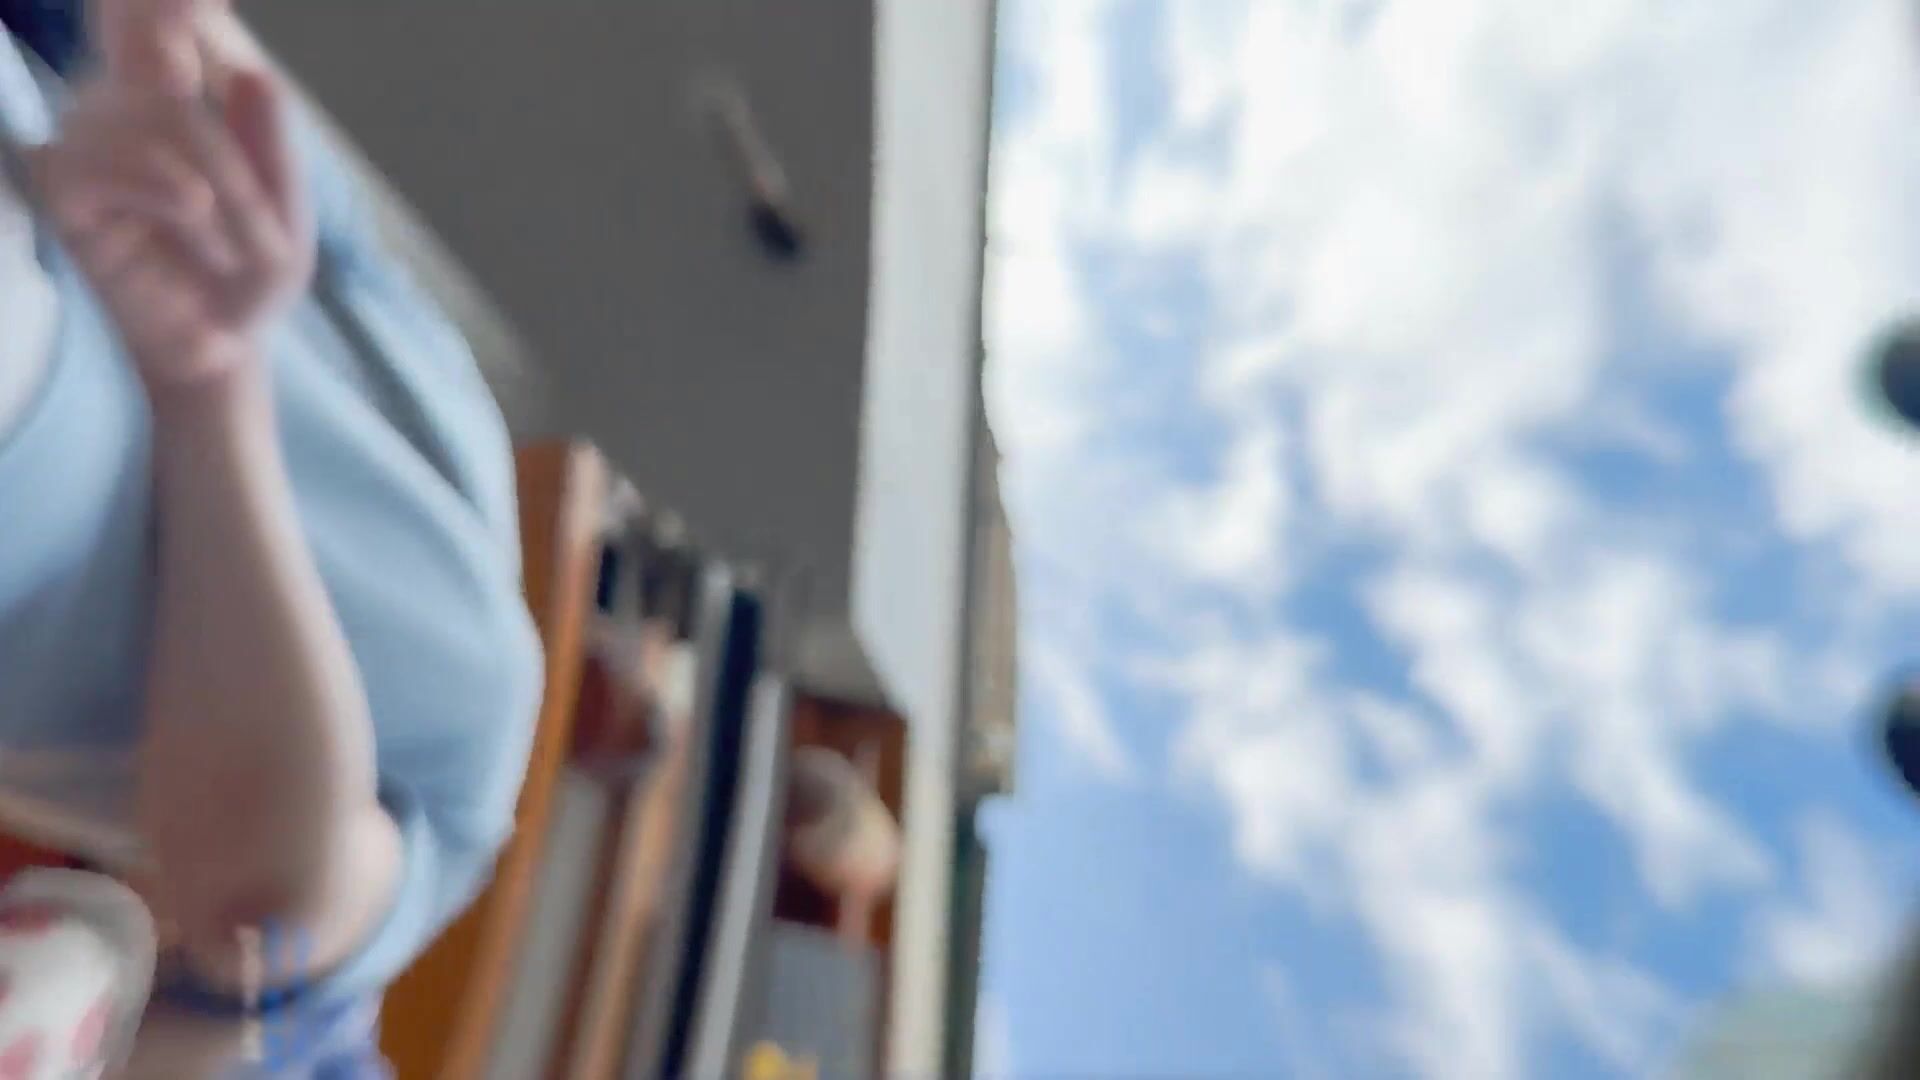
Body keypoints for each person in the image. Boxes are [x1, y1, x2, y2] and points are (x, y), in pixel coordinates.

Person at [0, 0, 542, 1074]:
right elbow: (262, 921)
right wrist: (207, 384)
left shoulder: (465, 449)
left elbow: (216, 90)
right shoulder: (451, 816)